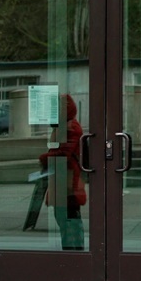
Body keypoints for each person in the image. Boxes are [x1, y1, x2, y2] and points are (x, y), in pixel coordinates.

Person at [39, 93, 86, 250]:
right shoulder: (64, 126)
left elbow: (63, 154)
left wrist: (44, 158)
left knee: (69, 216)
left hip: (67, 180)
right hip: (62, 178)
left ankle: (73, 249)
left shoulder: (70, 128)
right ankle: (70, 248)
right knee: (64, 216)